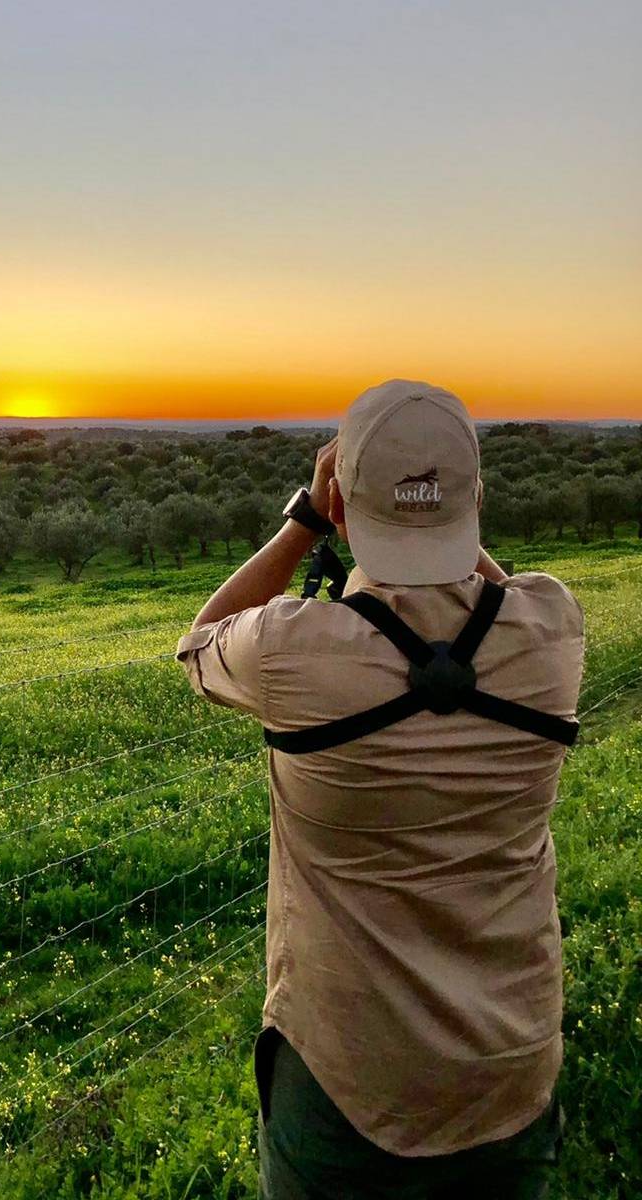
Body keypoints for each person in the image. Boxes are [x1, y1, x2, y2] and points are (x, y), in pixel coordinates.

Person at [176, 380, 584, 1199]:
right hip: (510, 1062)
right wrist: (443, 528)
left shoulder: (291, 651)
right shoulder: (553, 630)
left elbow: (197, 647)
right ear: (476, 501)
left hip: (345, 1077)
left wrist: (305, 522)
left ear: (340, 498)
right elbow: (494, 594)